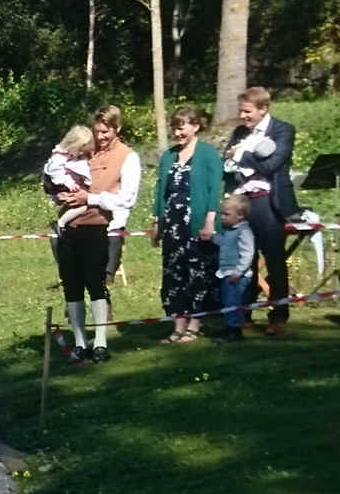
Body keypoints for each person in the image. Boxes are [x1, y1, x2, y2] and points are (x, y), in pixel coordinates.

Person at [224, 85, 302, 330]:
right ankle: (244, 313)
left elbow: (272, 166)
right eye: (241, 111)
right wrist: (234, 158)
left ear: (263, 109)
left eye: (247, 112)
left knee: (274, 259)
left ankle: (279, 316)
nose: (243, 117)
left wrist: (240, 156)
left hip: (268, 201)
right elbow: (226, 160)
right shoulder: (239, 132)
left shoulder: (283, 130)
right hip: (242, 200)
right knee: (245, 259)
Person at [43, 124, 112, 364]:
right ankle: (80, 342)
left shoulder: (104, 158)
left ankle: (101, 342)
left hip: (94, 226)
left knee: (95, 282)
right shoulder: (60, 158)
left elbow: (109, 190)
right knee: (72, 286)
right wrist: (57, 193)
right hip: (70, 231)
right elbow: (49, 182)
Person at [154, 110, 223, 342]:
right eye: (175, 128)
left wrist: (210, 220)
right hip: (172, 224)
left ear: (195, 126)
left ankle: (195, 324)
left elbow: (215, 189)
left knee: (198, 274)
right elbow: (159, 190)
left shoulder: (208, 154)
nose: (178, 132)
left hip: (197, 222)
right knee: (174, 274)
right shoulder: (168, 156)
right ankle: (178, 325)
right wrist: (157, 221)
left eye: (182, 127)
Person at [84, 107, 142, 355]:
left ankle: (100, 336)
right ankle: (88, 331)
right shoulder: (89, 153)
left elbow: (126, 199)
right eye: (97, 131)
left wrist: (94, 198)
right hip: (84, 224)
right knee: (82, 279)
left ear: (117, 129)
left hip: (111, 226)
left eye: (105, 132)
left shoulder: (128, 157)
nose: (100, 137)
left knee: (100, 278)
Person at [211, 191, 258, 338]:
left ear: (240, 215)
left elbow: (248, 253)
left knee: (233, 301)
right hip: (226, 273)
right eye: (222, 214)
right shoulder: (229, 231)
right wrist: (212, 237)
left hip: (237, 275)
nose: (222, 217)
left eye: (226, 214)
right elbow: (225, 244)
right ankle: (230, 325)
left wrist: (238, 272)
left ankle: (235, 329)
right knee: (227, 301)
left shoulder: (244, 232)